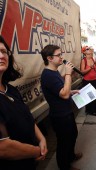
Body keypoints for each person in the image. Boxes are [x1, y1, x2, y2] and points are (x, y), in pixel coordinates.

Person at [0, 35, 47, 169]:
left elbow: (27, 117)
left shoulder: (11, 89)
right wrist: (37, 151)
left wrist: (42, 139)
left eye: (4, 51)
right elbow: (3, 147)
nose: (1, 56)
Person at [40, 45, 82, 170]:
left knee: (73, 135)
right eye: (59, 55)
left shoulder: (54, 71)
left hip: (66, 112)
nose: (62, 57)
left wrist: (71, 91)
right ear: (49, 58)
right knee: (64, 142)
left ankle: (70, 156)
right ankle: (64, 166)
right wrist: (68, 73)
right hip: (60, 116)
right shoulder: (48, 75)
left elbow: (61, 90)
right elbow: (63, 94)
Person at [80, 46, 96, 116]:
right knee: (90, 95)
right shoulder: (83, 60)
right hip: (87, 80)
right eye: (88, 54)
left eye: (91, 54)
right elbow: (82, 72)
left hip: (95, 79)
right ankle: (91, 110)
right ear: (85, 54)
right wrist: (90, 67)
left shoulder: (93, 59)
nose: (90, 55)